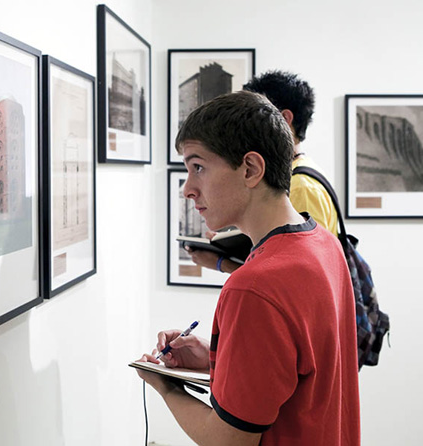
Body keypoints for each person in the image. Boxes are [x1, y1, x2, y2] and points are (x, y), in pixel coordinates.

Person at [135, 91, 360, 445]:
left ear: (251, 169)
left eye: (198, 167)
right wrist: (216, 360)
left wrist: (167, 386)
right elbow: (299, 373)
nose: (188, 190)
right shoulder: (323, 244)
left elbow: (227, 441)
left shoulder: (254, 286)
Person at [187, 70, 338, 274]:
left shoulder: (301, 186)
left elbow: (293, 276)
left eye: (257, 112)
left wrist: (222, 264)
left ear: (283, 120)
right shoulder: (304, 171)